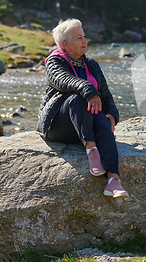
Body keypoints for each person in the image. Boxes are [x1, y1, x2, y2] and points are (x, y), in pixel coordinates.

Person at [36, 18, 129, 198]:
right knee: (78, 98)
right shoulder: (54, 62)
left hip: (85, 123)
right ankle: (91, 148)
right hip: (59, 125)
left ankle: (113, 180)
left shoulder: (92, 65)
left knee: (102, 121)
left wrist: (112, 114)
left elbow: (106, 95)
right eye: (79, 38)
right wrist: (88, 89)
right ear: (64, 44)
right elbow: (64, 81)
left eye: (84, 36)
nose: (85, 40)